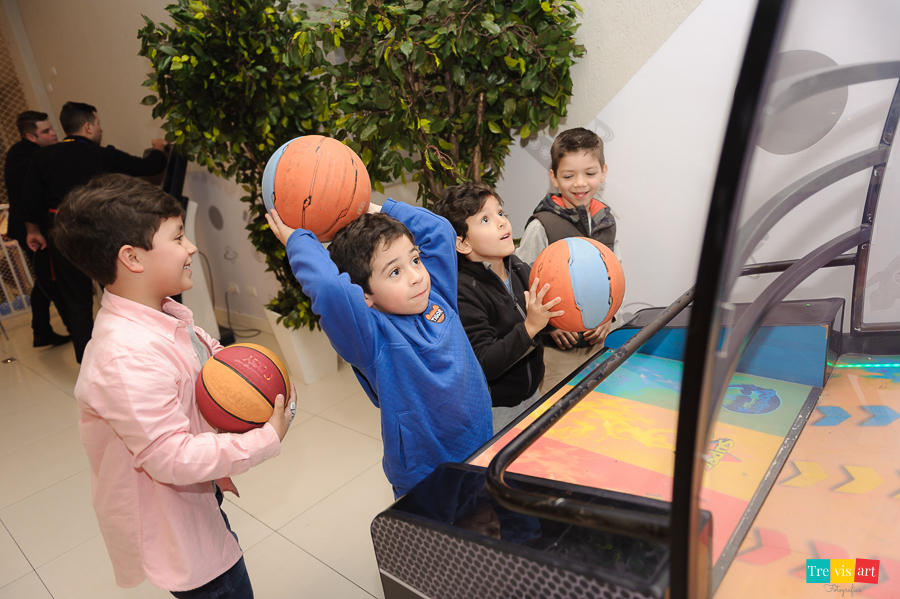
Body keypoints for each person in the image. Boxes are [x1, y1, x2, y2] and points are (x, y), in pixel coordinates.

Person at [53, 173, 294, 598]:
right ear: (132, 258)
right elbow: (172, 458)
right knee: (224, 587)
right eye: (178, 237)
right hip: (171, 517)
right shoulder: (125, 357)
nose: (192, 247)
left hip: (200, 491)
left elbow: (213, 364)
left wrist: (266, 387)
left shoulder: (165, 315)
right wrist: (267, 437)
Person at [266, 199, 493, 498]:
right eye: (394, 272)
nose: (415, 276)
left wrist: (364, 203)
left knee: (487, 529)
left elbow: (438, 231)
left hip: (482, 446)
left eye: (415, 260)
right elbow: (330, 288)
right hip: (426, 477)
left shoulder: (438, 295)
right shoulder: (371, 337)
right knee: (440, 542)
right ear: (365, 295)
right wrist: (297, 239)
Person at [22, 101, 169, 363]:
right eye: (98, 124)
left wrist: (34, 231)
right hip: (103, 233)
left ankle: (90, 364)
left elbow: (31, 200)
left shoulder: (42, 156)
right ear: (88, 126)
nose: (100, 130)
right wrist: (158, 148)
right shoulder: (101, 155)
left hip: (62, 233)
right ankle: (133, 356)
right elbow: (149, 168)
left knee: (76, 302)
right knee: (121, 293)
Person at [433, 182, 563, 432]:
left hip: (533, 393)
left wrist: (551, 321)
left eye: (500, 213)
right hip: (496, 409)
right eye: (485, 219)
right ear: (462, 244)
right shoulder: (465, 291)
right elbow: (485, 362)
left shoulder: (518, 267)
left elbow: (537, 323)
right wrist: (530, 327)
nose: (501, 222)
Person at [516, 127, 619, 393]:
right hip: (557, 351)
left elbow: (611, 278)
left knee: (598, 411)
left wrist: (608, 318)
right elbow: (521, 283)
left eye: (590, 173)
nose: (580, 183)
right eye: (569, 176)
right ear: (554, 177)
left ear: (603, 172)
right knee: (556, 415)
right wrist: (549, 327)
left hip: (597, 343)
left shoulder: (606, 221)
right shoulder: (542, 225)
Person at [3, 110, 69, 347]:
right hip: (33, 230)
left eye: (51, 129)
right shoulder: (28, 157)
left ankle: (41, 330)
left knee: (45, 279)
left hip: (32, 228)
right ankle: (63, 327)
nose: (53, 134)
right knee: (51, 278)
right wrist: (35, 231)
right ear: (31, 137)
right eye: (46, 131)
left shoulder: (22, 153)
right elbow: (30, 199)